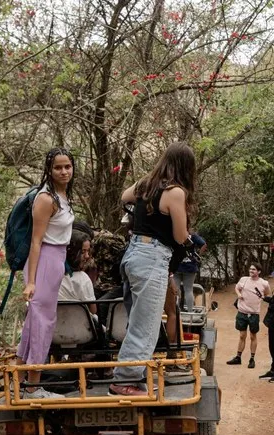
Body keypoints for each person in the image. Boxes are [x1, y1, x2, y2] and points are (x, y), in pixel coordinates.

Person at [112, 142, 197, 396]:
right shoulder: (176, 192)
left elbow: (124, 197)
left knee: (139, 320)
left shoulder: (145, 184)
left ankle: (131, 376)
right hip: (152, 256)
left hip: (133, 254)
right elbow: (180, 235)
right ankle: (124, 381)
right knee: (146, 324)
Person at [16, 147, 75, 400]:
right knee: (42, 321)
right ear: (49, 171)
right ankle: (32, 387)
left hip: (57, 257)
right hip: (45, 258)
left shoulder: (62, 195)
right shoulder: (46, 198)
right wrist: (31, 281)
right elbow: (36, 241)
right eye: (58, 167)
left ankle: (19, 382)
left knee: (37, 321)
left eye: (67, 166)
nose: (63, 171)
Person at [227, 264, 271, 369]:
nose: (251, 271)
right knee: (242, 335)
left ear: (259, 271)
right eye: (250, 269)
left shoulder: (264, 283)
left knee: (253, 336)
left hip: (254, 314)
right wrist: (238, 294)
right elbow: (236, 288)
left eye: (254, 269)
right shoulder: (244, 279)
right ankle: (238, 357)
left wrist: (262, 297)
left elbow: (268, 294)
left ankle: (252, 359)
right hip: (242, 312)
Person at [59, 230, 97, 316]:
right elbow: (93, 310)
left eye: (88, 251)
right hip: (82, 326)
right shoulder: (83, 279)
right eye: (83, 252)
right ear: (71, 252)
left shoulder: (48, 276)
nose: (87, 256)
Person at [174, 232, 206, 312]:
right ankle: (190, 311)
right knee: (188, 290)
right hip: (190, 266)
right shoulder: (193, 236)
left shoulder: (176, 234)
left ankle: (175, 311)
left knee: (175, 290)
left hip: (176, 266)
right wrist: (198, 255)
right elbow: (204, 244)